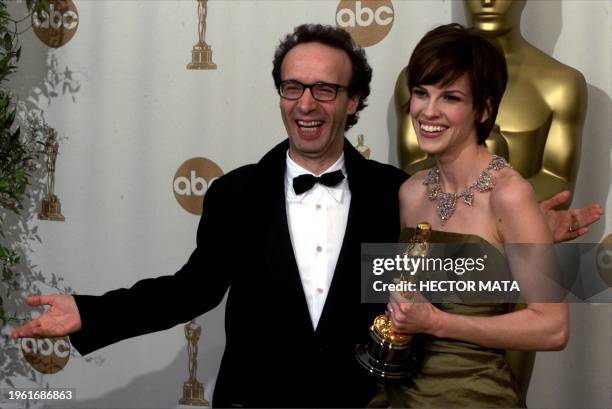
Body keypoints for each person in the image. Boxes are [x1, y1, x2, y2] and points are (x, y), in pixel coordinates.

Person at [11, 24, 601, 408]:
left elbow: (446, 273)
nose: (307, 104)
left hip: (367, 399)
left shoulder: (391, 192)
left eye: (325, 89)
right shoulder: (236, 195)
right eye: (293, 87)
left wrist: (528, 238)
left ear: (354, 101)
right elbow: (188, 290)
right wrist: (89, 313)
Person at [377, 23, 570, 408]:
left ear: (483, 108)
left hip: (476, 397)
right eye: (421, 93)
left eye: (450, 97)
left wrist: (438, 323)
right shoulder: (411, 193)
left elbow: (552, 327)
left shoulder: (509, 194)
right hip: (399, 395)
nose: (428, 112)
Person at [396, 0, 589, 206]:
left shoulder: (562, 84)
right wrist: (468, 158)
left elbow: (558, 183)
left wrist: (495, 184)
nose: (487, 1)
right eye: (422, 94)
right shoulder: (415, 78)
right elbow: (407, 173)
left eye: (451, 97)